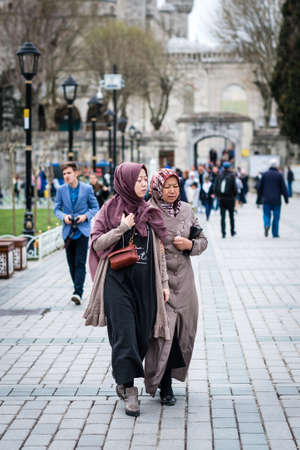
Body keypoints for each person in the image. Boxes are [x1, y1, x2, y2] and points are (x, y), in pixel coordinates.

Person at [84, 162, 170, 417]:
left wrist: (164, 283)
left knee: (142, 335)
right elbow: (97, 244)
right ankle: (130, 390)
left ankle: (123, 379)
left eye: (145, 179)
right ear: (125, 181)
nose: (144, 183)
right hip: (116, 282)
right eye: (139, 179)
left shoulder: (150, 211)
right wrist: (121, 228)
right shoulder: (108, 210)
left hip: (145, 284)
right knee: (124, 334)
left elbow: (160, 252)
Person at [145, 168, 208, 405]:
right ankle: (165, 386)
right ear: (157, 188)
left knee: (183, 331)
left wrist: (189, 244)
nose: (171, 191)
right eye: (167, 186)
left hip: (184, 280)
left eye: (175, 186)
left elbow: (203, 241)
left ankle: (170, 377)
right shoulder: (148, 211)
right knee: (164, 333)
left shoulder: (187, 210)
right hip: (159, 281)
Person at [54, 162, 99, 305]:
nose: (66, 176)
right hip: (68, 232)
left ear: (76, 173)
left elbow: (95, 207)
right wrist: (64, 217)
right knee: (71, 263)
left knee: (80, 262)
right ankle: (77, 288)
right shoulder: (61, 190)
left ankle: (78, 292)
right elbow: (57, 209)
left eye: (69, 173)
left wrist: (85, 216)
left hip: (82, 231)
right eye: (64, 174)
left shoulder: (87, 189)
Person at [258, 159, 288, 238]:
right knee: (276, 217)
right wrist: (286, 199)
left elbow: (259, 187)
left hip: (266, 199)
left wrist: (259, 198)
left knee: (266, 214)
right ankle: (275, 233)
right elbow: (283, 188)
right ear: (276, 166)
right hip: (276, 200)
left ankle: (267, 224)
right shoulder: (279, 175)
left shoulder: (264, 174)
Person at [214, 162, 237, 238]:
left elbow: (215, 187)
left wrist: (218, 196)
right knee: (231, 216)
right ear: (229, 167)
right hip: (230, 198)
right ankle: (232, 231)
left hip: (222, 199)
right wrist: (234, 195)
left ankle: (223, 233)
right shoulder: (232, 176)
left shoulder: (219, 175)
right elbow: (235, 188)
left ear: (223, 168)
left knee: (222, 217)